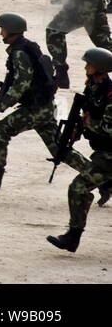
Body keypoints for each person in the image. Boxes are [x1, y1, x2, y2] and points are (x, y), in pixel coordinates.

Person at [0, 13, 86, 194]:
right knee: (58, 150)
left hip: (36, 109)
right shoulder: (28, 47)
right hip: (44, 106)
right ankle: (101, 177)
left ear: (12, 31)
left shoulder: (20, 53)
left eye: (3, 29)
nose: (1, 33)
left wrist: (0, 105)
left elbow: (21, 84)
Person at [46, 47, 112, 252]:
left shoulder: (110, 95)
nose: (85, 67)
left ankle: (73, 237)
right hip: (103, 153)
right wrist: (75, 132)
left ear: (100, 68)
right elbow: (85, 115)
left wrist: (88, 123)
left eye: (89, 64)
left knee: (78, 188)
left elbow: (109, 128)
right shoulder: (92, 88)